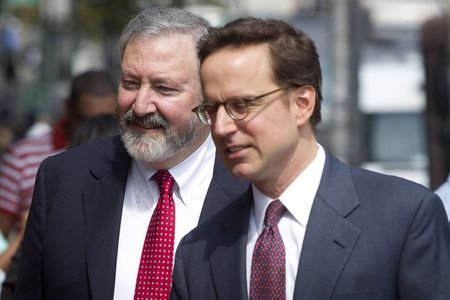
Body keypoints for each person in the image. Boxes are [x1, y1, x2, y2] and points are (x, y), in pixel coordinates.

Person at [171, 17, 450, 300]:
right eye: (212, 109)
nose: (221, 127)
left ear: (302, 104)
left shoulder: (404, 217)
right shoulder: (198, 251)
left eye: (240, 105)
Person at [14, 7, 247, 300]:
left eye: (164, 88)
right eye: (131, 84)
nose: (140, 105)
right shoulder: (63, 180)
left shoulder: (252, 190)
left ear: (209, 96)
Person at [0, 69, 117, 237]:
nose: (95, 129)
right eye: (86, 120)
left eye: (106, 121)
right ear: (68, 108)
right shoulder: (22, 157)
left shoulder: (127, 158)